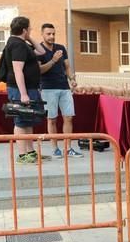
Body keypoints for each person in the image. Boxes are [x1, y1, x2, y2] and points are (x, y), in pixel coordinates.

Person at [5, 16, 46, 164]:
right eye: (29, 28)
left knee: (28, 120)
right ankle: (22, 155)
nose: (30, 30)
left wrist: (28, 37)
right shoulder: (17, 45)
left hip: (30, 87)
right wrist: (23, 94)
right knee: (21, 120)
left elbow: (41, 52)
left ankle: (30, 151)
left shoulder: (23, 43)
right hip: (20, 89)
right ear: (24, 29)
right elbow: (18, 70)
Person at [38, 23, 82, 159]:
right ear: (42, 34)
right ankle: (55, 149)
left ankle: (68, 148)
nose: (52, 36)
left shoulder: (61, 48)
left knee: (68, 117)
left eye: (53, 33)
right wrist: (53, 60)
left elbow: (67, 66)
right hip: (47, 88)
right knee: (51, 119)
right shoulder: (38, 49)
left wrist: (72, 79)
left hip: (64, 87)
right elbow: (40, 70)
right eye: (48, 34)